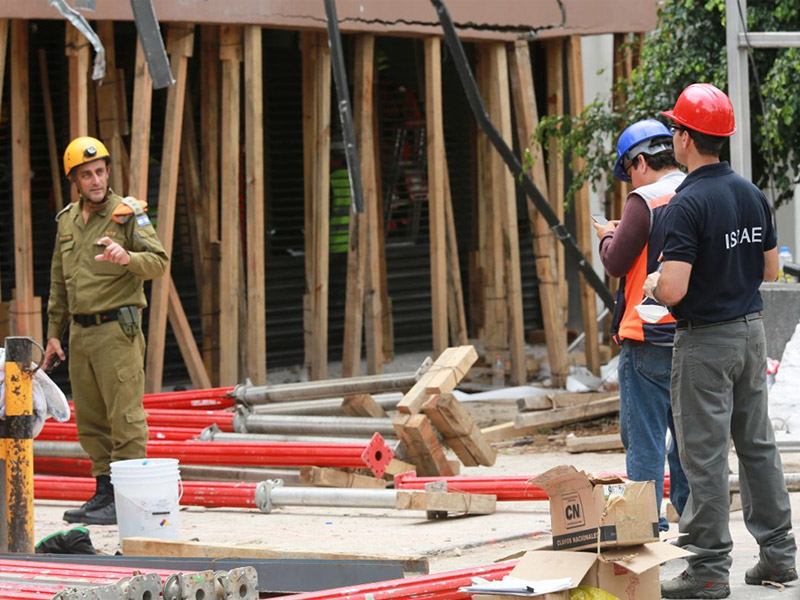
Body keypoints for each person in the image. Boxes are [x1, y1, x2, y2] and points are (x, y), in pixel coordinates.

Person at [644, 83, 796, 598]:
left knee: (704, 456)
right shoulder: (750, 194)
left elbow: (674, 288)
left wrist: (654, 284)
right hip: (750, 333)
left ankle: (708, 569)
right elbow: (770, 269)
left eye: (675, 129)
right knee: (757, 446)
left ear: (684, 137)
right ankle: (777, 556)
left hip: (705, 341)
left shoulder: (686, 204)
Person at [43, 137, 169, 526]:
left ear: (108, 172)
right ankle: (104, 493)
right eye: (86, 175)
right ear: (75, 181)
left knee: (125, 417)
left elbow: (159, 262)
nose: (96, 180)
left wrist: (126, 256)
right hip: (80, 335)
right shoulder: (67, 220)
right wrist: (53, 334)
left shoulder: (127, 214)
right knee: (92, 419)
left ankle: (128, 498)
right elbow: (60, 283)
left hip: (118, 330)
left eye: (100, 171)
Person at [593, 119, 689, 533]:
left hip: (646, 336)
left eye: (628, 170)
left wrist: (605, 238)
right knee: (688, 439)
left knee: (644, 442)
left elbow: (616, 262)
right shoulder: (694, 188)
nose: (629, 180)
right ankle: (692, 521)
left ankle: (647, 529)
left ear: (642, 161)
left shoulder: (644, 199)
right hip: (689, 334)